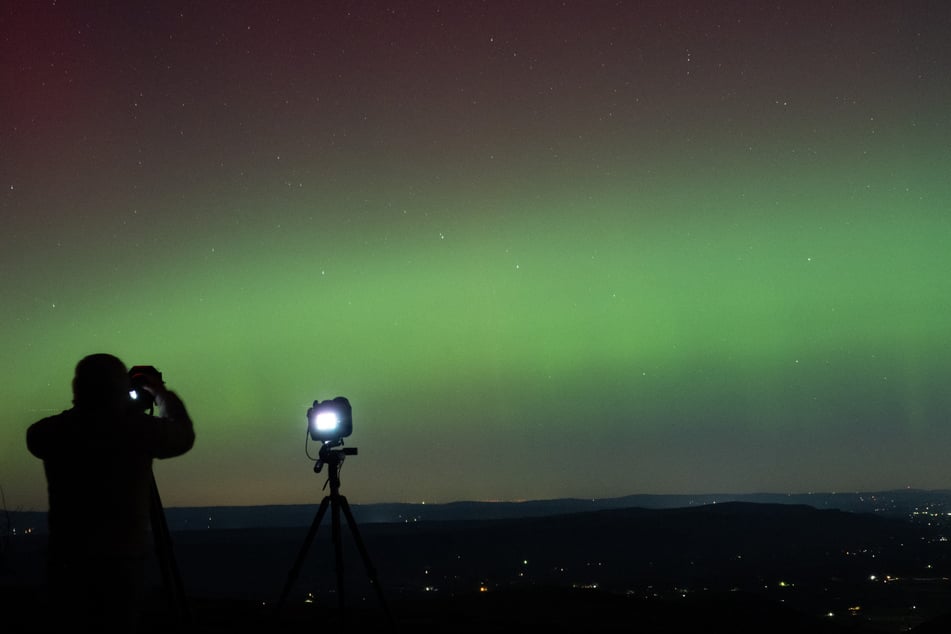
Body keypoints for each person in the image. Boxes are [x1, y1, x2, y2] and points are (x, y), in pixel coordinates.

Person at [26, 353, 195, 633]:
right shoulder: (137, 430)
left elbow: (39, 437)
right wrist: (160, 392)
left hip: (67, 560)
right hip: (121, 561)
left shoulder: (52, 432)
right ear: (118, 387)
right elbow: (183, 435)